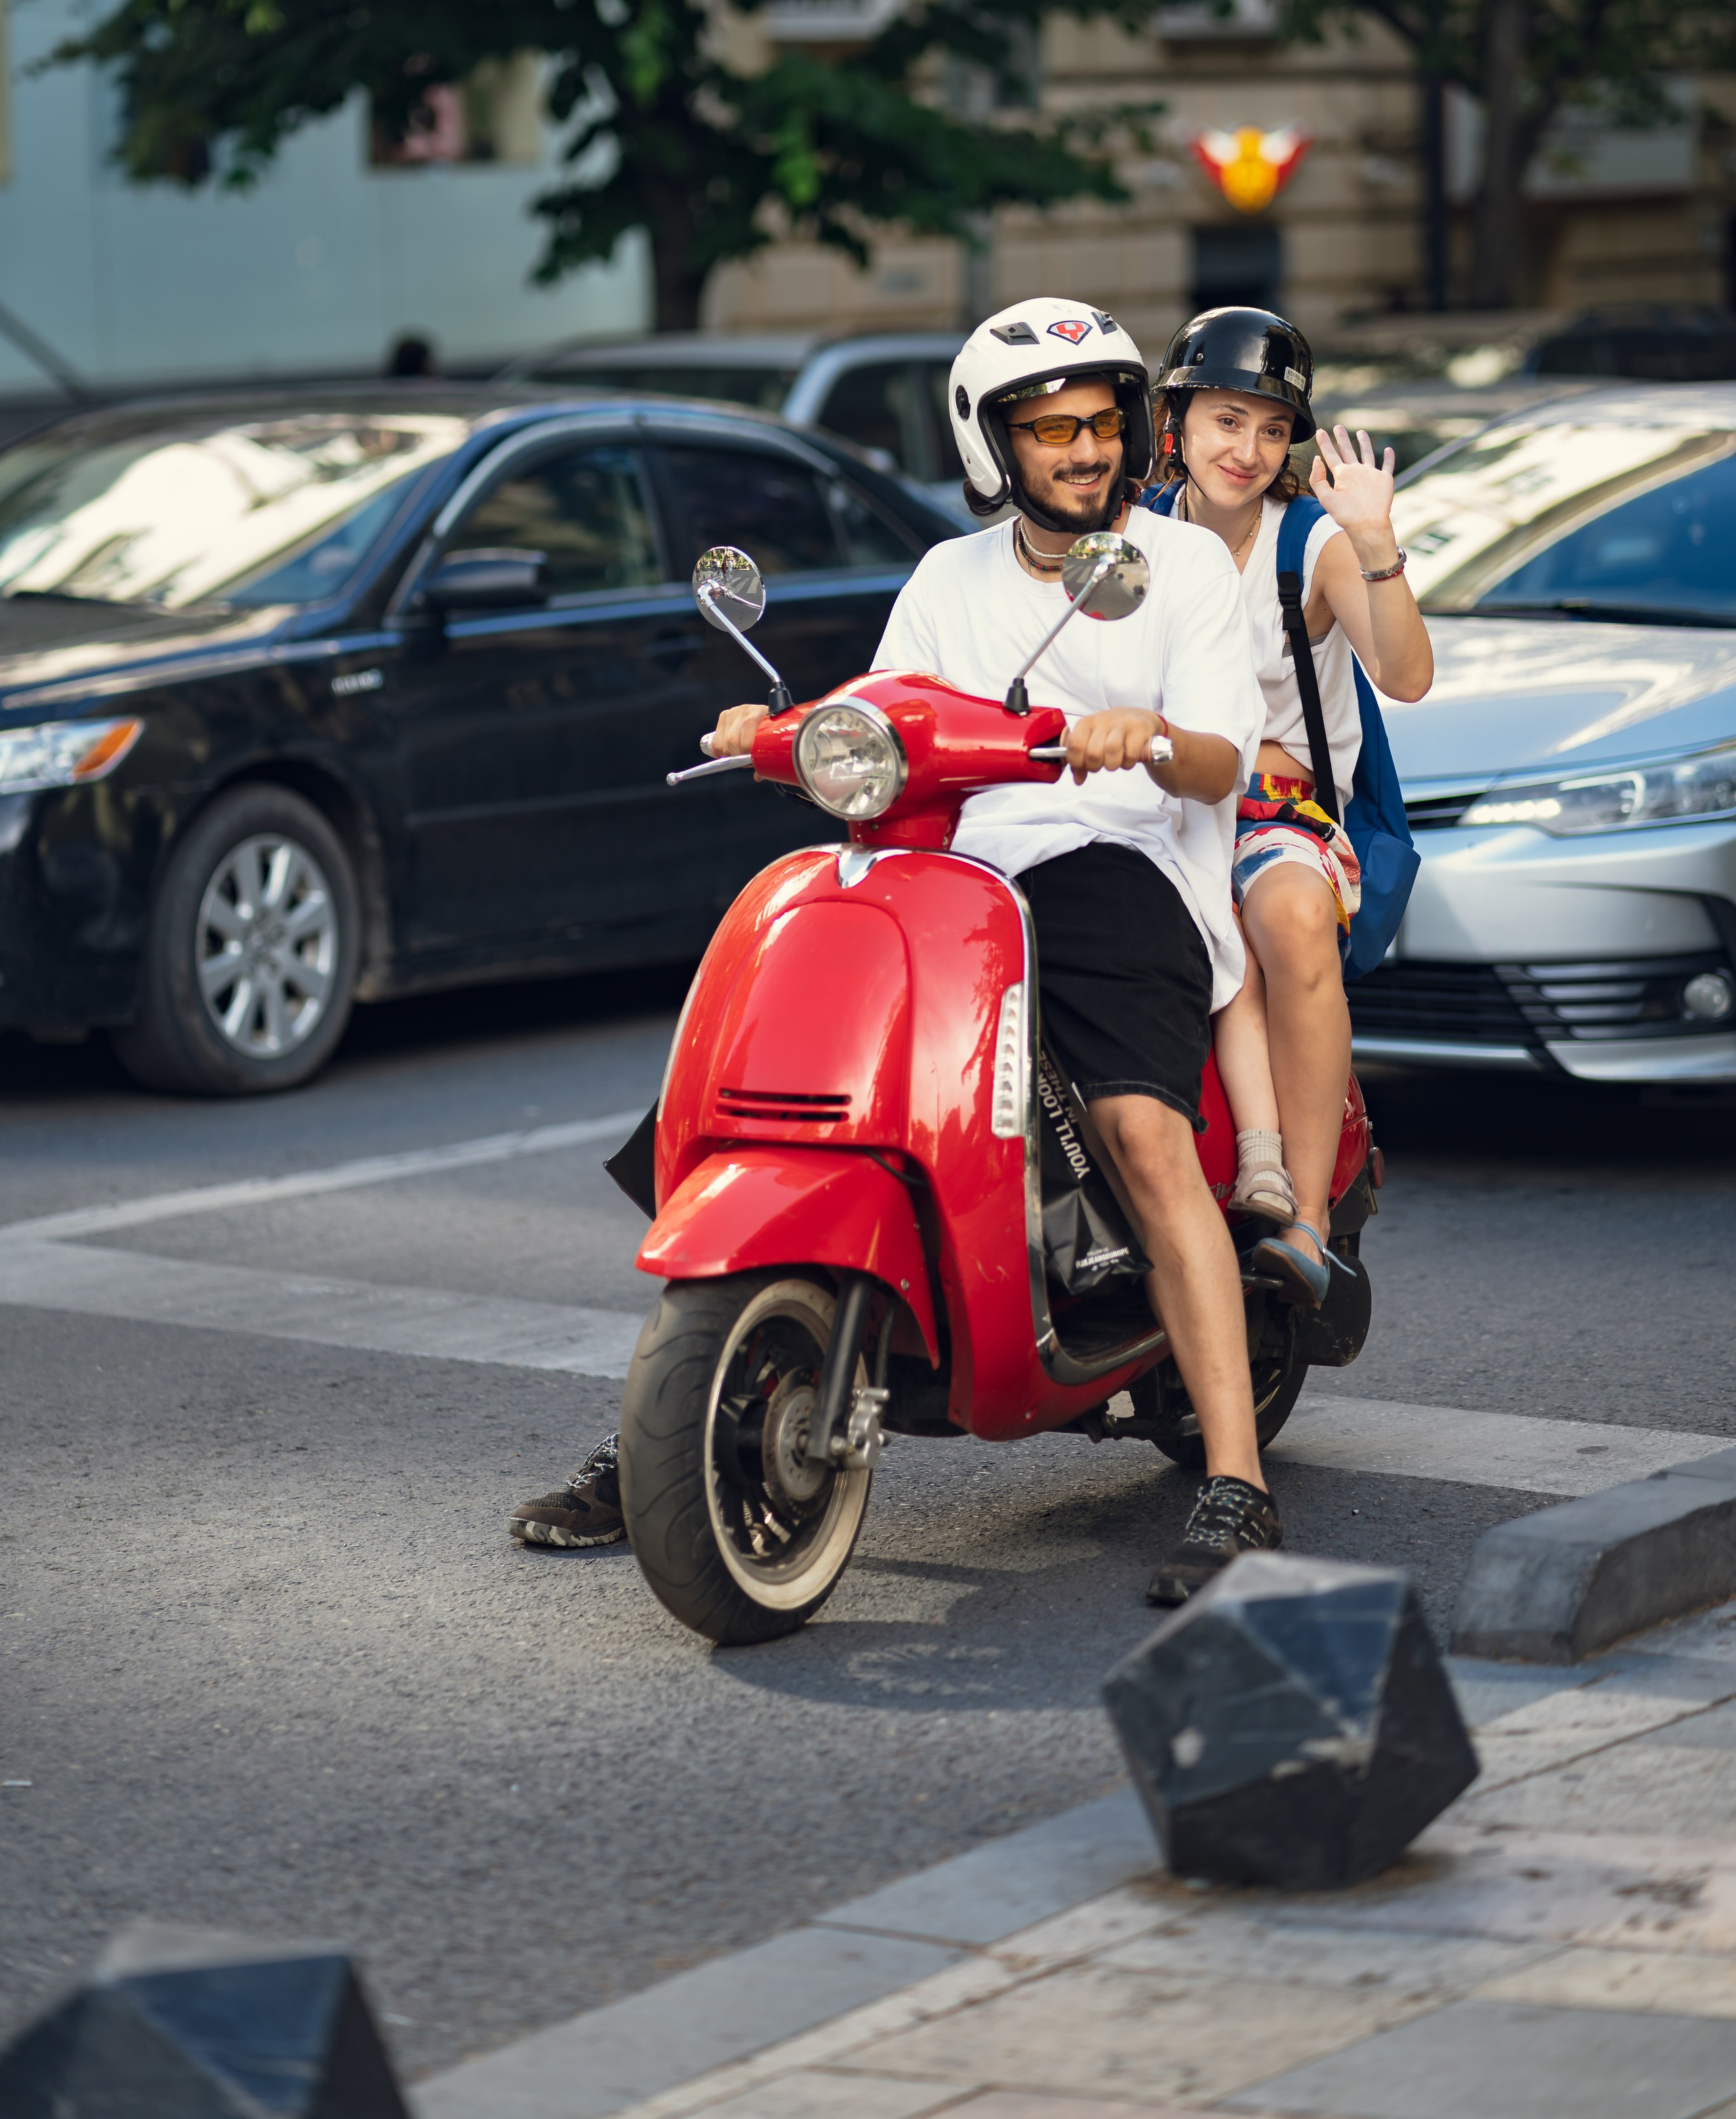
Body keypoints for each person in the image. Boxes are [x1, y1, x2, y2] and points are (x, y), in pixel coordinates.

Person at [516, 296, 1284, 1606]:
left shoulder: (1182, 568)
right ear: (996, 448)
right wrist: (781, 723)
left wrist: (1142, 735)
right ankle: (684, 1411)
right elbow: (889, 711)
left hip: (1121, 859)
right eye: (1051, 431)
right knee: (763, 1075)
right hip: (957, 866)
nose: (1085, 451)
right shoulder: (949, 577)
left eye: (1102, 424)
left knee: (1144, 1132)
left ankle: (1234, 1475)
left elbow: (1217, 759)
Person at [1143, 305, 1432, 1306]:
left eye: (1272, 429)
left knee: (1290, 913)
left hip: (1274, 816)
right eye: (1227, 421)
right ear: (1175, 422)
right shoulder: (1132, 538)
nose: (1250, 449)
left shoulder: (1306, 545)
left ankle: (1306, 1218)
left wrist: (1376, 543)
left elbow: (1405, 673)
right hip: (1151, 806)